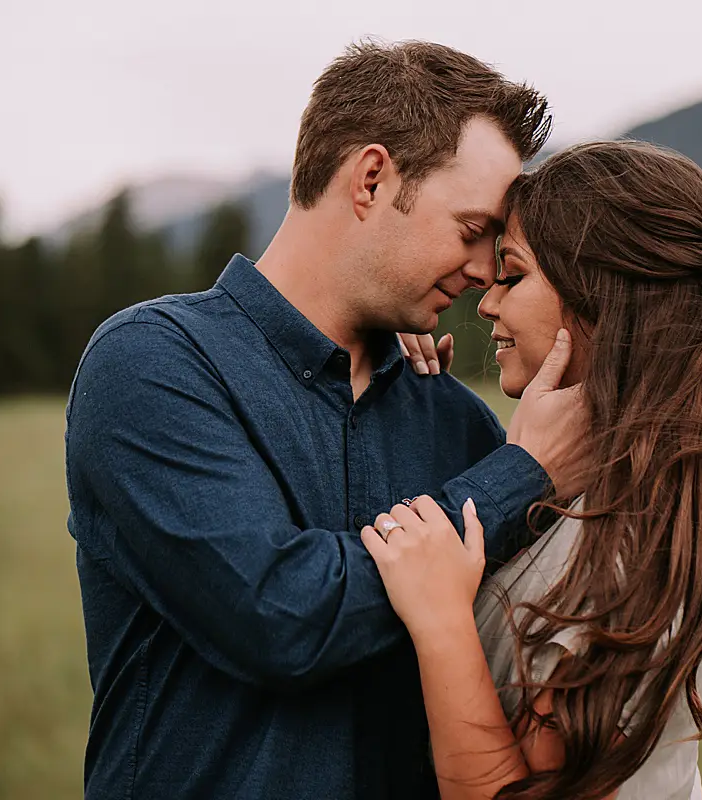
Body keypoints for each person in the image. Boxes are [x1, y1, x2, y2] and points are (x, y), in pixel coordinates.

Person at [64, 41, 587, 799]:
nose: (483, 270)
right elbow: (277, 614)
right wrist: (519, 476)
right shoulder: (152, 365)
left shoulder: (459, 426)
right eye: (471, 228)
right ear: (371, 179)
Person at [362, 140, 702, 800]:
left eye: (511, 275)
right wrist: (413, 401)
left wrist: (443, 620)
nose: (485, 303)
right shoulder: (612, 491)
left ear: (598, 300)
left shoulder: (619, 546)